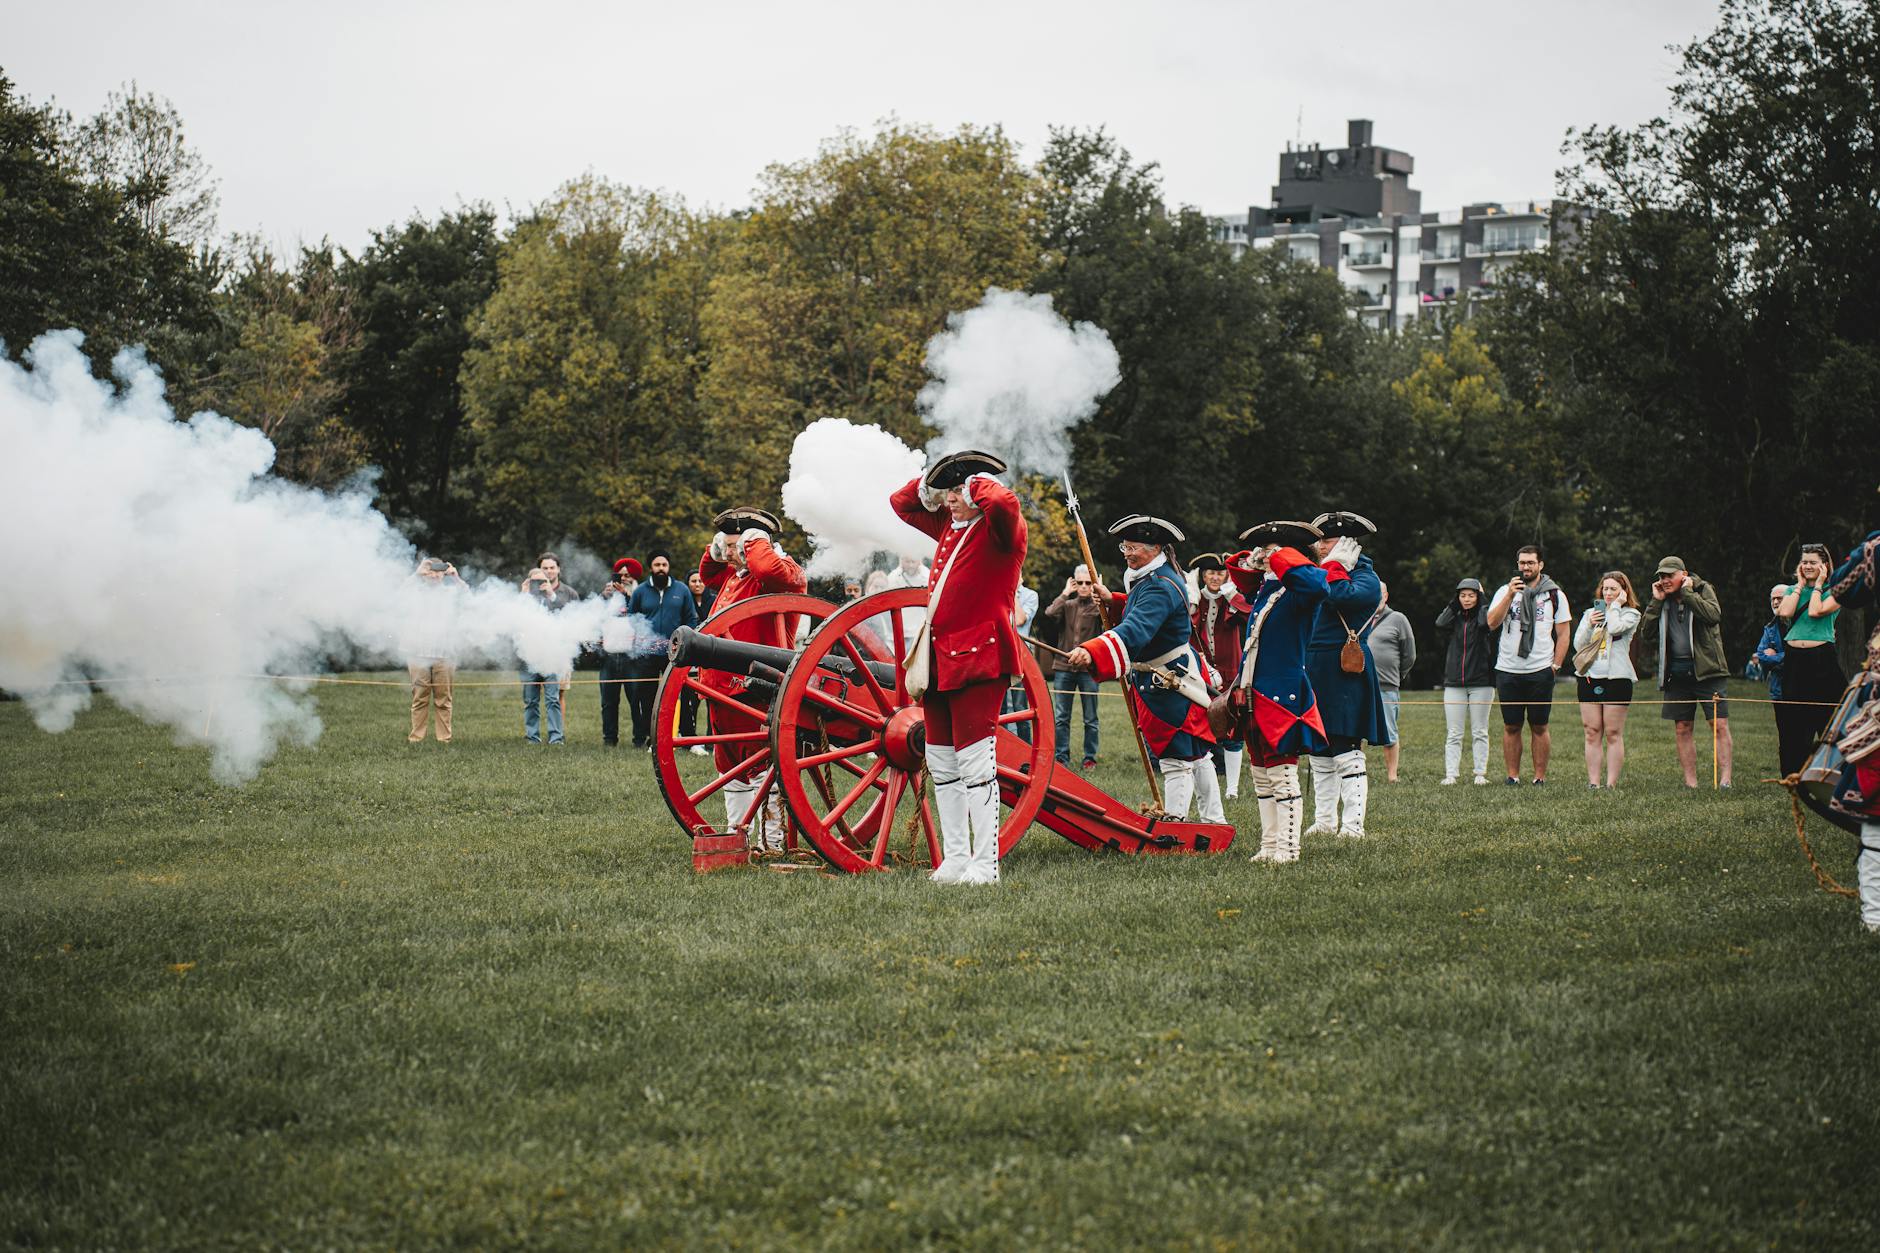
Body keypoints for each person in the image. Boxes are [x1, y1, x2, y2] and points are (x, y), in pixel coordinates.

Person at [889, 451, 1027, 886]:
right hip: (939, 657)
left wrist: (974, 483)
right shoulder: (950, 524)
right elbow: (900, 503)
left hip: (980, 656)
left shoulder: (1000, 529)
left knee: (975, 763)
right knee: (942, 762)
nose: (951, 498)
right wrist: (929, 487)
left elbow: (1005, 504)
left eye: (957, 490)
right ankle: (955, 858)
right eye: (947, 491)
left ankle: (986, 864)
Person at [1064, 515, 1224, 824]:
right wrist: (1115, 600)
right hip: (1172, 674)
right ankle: (1213, 819)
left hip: (1169, 679)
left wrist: (1091, 649)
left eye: (1133, 547)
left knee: (1178, 754)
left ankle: (1176, 822)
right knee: (1196, 752)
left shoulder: (1159, 585)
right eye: (1125, 546)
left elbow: (1137, 628)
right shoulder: (1154, 578)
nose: (1126, 553)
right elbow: (1141, 611)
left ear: (1155, 548)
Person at [1223, 521, 1332, 863]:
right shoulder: (1269, 591)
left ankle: (1288, 847)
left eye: (1274, 551)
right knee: (1261, 776)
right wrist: (1258, 560)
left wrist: (1282, 555)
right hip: (1255, 690)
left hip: (1282, 694)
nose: (1267, 558)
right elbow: (1242, 577)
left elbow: (1317, 583)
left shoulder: (1300, 591)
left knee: (1283, 776)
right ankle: (1269, 846)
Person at [698, 508, 808, 848]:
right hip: (719, 687)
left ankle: (771, 841)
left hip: (755, 688)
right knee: (728, 766)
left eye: (736, 545)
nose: (729, 553)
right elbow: (707, 571)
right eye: (726, 545)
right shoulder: (735, 575)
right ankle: (738, 834)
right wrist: (718, 550)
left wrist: (756, 541)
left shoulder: (782, 573)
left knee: (762, 767)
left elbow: (767, 567)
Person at [1301, 511, 1389, 838]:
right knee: (1319, 748)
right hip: (1315, 665)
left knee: (1345, 744)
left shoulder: (1366, 576)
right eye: (1319, 540)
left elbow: (1339, 595)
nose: (1320, 546)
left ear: (1348, 543)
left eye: (1327, 540)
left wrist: (1334, 566)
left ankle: (1353, 825)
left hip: (1344, 666)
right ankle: (1325, 821)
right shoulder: (1320, 570)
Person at [1640, 555, 1734, 789]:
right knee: (1682, 727)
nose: (1664, 580)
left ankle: (1725, 780)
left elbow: (1713, 616)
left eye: (1669, 575)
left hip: (1708, 669)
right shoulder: (1661, 598)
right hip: (1676, 673)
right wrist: (1656, 601)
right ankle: (1690, 783)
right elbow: (1646, 634)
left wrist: (1689, 595)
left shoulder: (1703, 589)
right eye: (1661, 576)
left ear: (1684, 574)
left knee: (1718, 724)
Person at [1485, 544, 1570, 785]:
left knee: (1539, 725)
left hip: (1540, 669)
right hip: (1508, 669)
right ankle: (1513, 776)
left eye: (1530, 562)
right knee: (1511, 725)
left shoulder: (1554, 594)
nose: (1526, 567)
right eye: (1522, 563)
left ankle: (1539, 778)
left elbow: (1563, 633)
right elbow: (1491, 623)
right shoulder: (1505, 590)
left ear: (1540, 564)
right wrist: (1510, 595)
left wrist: (1556, 666)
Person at [1773, 543, 1845, 777]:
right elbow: (1784, 612)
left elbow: (1815, 611)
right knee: (1794, 720)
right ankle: (1794, 776)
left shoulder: (1836, 590)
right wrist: (1801, 585)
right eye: (1804, 561)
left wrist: (1818, 585)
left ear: (1824, 565)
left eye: (1813, 562)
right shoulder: (1795, 588)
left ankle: (1834, 774)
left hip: (1821, 660)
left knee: (1827, 719)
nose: (1807, 566)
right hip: (1795, 661)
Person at [1572, 571, 1641, 788]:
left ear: (1624, 591)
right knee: (1591, 731)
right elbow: (1578, 645)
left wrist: (1615, 607)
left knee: (1612, 732)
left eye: (1613, 589)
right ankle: (1594, 783)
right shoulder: (1592, 613)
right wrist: (1589, 623)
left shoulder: (1630, 614)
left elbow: (1615, 628)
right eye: (1605, 588)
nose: (1608, 593)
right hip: (1590, 677)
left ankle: (1610, 783)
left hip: (1617, 678)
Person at [623, 553, 697, 749]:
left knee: (682, 694)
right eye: (657, 565)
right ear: (651, 568)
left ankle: (688, 739)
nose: (661, 568)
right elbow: (632, 618)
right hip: (647, 653)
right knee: (647, 697)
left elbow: (691, 619)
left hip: (675, 652)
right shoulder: (640, 591)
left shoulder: (681, 590)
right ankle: (652, 738)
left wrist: (684, 643)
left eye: (664, 564)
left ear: (669, 566)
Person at [1192, 553, 1250, 798]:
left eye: (1220, 573)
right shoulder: (1194, 600)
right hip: (1202, 673)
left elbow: (1248, 615)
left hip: (1231, 674)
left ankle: (1233, 789)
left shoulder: (1232, 599)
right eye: (1210, 573)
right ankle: (1206, 786)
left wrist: (1231, 594)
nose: (1215, 577)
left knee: (1233, 730)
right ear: (1202, 575)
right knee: (1202, 728)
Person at [1042, 564, 1104, 771]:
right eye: (1080, 583)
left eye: (1088, 583)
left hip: (1088, 670)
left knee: (1091, 718)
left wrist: (1102, 598)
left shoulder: (1097, 607)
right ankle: (1061, 758)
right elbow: (1050, 613)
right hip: (1063, 667)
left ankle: (1090, 758)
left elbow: (1110, 623)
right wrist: (1065, 593)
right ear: (1074, 583)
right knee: (1061, 717)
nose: (1084, 587)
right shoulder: (1067, 605)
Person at [1435, 577, 1496, 785]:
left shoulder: (1485, 613)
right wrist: (1454, 604)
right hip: (1454, 683)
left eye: (1471, 595)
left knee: (1480, 730)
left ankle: (1480, 773)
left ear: (1478, 597)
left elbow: (1484, 623)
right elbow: (1440, 622)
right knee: (1454, 732)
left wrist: (1483, 600)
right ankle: (1451, 774)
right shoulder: (1455, 617)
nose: (1467, 599)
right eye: (1463, 595)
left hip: (1482, 682)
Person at [518, 552, 579, 745]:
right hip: (529, 654)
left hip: (553, 654)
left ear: (558, 569)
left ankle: (556, 738)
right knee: (530, 700)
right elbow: (514, 618)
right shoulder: (526, 594)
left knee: (553, 698)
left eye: (551, 568)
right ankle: (532, 738)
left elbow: (571, 616)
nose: (548, 572)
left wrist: (551, 595)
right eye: (544, 568)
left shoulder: (565, 593)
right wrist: (523, 595)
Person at [405, 557, 464, 744]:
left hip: (445, 654)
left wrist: (455, 577)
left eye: (438, 570)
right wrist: (416, 574)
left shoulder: (451, 592)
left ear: (443, 573)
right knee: (419, 698)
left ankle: (444, 738)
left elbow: (469, 597)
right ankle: (416, 737)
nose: (433, 574)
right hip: (417, 652)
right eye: (430, 570)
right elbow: (398, 595)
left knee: (443, 699)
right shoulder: (415, 590)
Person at [1363, 582, 1416, 783]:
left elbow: (1409, 654)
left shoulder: (1398, 619)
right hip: (1359, 684)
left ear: (1386, 596)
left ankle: (1392, 775)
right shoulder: (1359, 617)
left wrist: (1396, 676)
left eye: (1380, 593)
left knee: (1389, 731)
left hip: (1386, 685)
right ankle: (1358, 773)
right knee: (1356, 732)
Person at [597, 557, 640, 748]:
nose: (623, 579)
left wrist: (628, 595)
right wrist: (602, 597)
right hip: (609, 655)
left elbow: (641, 614)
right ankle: (609, 739)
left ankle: (639, 739)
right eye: (620, 575)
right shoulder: (607, 595)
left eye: (627, 576)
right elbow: (593, 616)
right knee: (608, 702)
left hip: (633, 657)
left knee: (636, 701)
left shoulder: (640, 593)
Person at [1003, 577, 1041, 743]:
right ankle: (1002, 749)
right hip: (1001, 654)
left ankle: (1025, 748)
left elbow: (1019, 620)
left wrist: (1013, 592)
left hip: (1021, 657)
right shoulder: (999, 593)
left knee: (1020, 707)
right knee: (1001, 709)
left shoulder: (1030, 595)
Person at [678, 570, 712, 753]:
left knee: (711, 701)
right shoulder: (685, 601)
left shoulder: (713, 600)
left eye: (700, 580)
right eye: (693, 581)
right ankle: (689, 737)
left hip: (711, 654)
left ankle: (711, 740)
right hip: (691, 655)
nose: (697, 584)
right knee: (689, 700)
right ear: (688, 584)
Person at [1746, 583, 1787, 701]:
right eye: (1773, 599)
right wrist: (1787, 657)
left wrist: (1776, 657)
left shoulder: (1800, 625)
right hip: (1777, 691)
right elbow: (1762, 656)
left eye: (1779, 598)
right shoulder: (1770, 628)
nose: (1775, 603)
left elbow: (1801, 657)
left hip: (1799, 690)